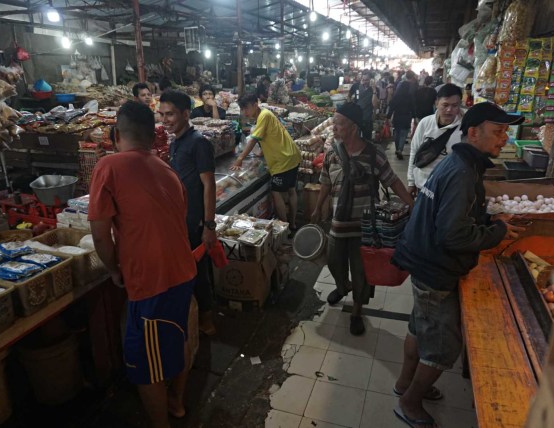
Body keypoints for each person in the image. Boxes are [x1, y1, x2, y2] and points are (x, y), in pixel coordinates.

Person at [390, 102, 525, 428]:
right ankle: (409, 403)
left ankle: (404, 383)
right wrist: (498, 231)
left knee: (419, 329)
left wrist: (488, 218)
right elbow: (453, 234)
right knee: (441, 348)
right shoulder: (464, 172)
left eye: (505, 132)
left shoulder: (460, 162)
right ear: (474, 132)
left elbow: (452, 218)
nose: (503, 139)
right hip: (436, 269)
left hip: (423, 261)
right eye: (498, 131)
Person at [88, 101, 197, 427]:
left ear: (116, 134)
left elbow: (100, 235)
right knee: (176, 339)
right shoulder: (168, 170)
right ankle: (176, 403)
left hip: (152, 281)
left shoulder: (108, 167)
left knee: (146, 363)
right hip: (183, 270)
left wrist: (113, 269)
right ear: (153, 136)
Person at [311, 103, 414, 336]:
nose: (334, 127)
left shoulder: (372, 154)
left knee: (361, 271)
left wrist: (412, 203)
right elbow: (325, 182)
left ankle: (357, 310)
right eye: (334, 122)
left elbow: (392, 181)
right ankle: (341, 286)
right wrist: (318, 207)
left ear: (354, 127)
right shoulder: (331, 153)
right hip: (338, 221)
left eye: (339, 123)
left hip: (365, 225)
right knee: (335, 263)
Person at [159, 90, 218, 336]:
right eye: (162, 114)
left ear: (185, 113)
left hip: (195, 222)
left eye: (170, 114)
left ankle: (207, 320)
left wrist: (209, 225)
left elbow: (209, 185)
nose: (165, 119)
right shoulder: (176, 143)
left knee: (199, 272)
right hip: (180, 221)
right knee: (189, 271)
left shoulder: (198, 143)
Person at [231, 94, 301, 231]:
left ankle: (284, 229)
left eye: (246, 108)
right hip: (292, 155)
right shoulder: (265, 114)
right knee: (291, 190)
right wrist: (262, 153)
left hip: (283, 161)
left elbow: (254, 139)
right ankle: (292, 225)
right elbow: (270, 135)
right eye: (242, 109)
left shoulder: (263, 115)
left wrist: (240, 159)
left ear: (255, 104)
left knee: (276, 193)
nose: (245, 112)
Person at [407, 84, 464, 197]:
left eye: (454, 105)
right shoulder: (425, 123)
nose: (449, 110)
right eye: (445, 105)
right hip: (423, 185)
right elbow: (414, 152)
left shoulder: (464, 129)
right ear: (437, 103)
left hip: (448, 189)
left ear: (459, 105)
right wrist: (411, 181)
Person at [388, 70, 417, 160]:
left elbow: (392, 105)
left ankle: (397, 149)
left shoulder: (397, 96)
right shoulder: (410, 96)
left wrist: (388, 116)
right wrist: (414, 117)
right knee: (404, 134)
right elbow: (413, 106)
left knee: (397, 133)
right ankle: (400, 149)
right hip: (406, 116)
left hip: (397, 116)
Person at [347, 70, 379, 139]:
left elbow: (375, 105)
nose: (364, 82)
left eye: (367, 80)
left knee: (367, 139)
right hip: (357, 117)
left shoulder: (375, 89)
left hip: (367, 118)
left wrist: (374, 91)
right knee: (356, 138)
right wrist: (350, 105)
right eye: (363, 80)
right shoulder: (356, 86)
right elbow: (349, 95)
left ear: (371, 79)